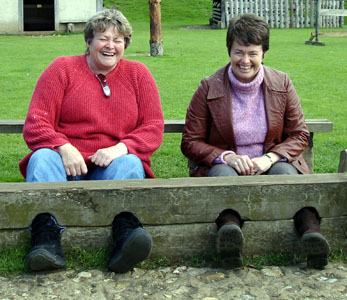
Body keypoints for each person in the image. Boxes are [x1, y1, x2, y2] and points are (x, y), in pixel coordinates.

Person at [181, 14, 330, 269]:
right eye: (239, 52)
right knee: (222, 176)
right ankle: (230, 238)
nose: (245, 60)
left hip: (270, 159)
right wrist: (226, 156)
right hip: (225, 164)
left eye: (253, 53)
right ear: (229, 50)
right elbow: (190, 141)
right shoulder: (208, 87)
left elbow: (299, 133)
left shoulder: (281, 83)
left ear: (264, 53)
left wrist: (270, 157)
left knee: (284, 172)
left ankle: (311, 236)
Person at [20, 8, 164, 272]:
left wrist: (121, 148)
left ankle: (125, 239)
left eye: (118, 40)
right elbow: (36, 122)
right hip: (64, 165)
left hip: (109, 166)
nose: (110, 46)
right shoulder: (61, 69)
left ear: (125, 45)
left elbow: (153, 127)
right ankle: (45, 241)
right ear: (88, 42)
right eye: (103, 38)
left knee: (131, 164)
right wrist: (63, 147)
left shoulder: (138, 74)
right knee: (41, 158)